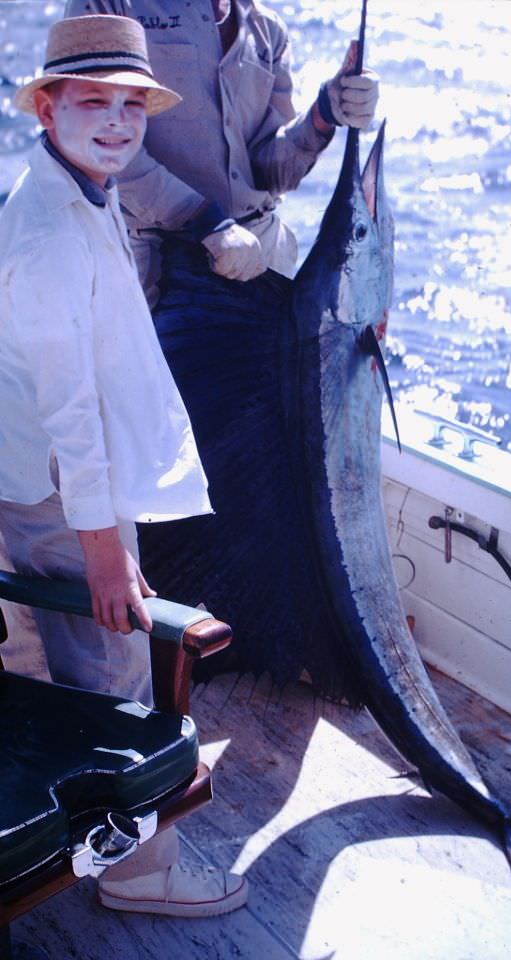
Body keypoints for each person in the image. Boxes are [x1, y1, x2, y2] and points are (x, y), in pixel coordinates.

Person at [0, 14, 247, 918]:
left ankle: (67, 844)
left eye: (129, 106)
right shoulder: (52, 234)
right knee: (115, 673)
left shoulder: (71, 189)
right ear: (47, 105)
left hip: (35, 483)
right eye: (91, 101)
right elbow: (71, 411)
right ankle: (141, 872)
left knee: (46, 658)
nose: (115, 122)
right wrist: (105, 548)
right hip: (67, 491)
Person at [64, 0, 380, 301]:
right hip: (157, 274)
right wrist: (204, 220)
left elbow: (264, 170)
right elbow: (96, 138)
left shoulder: (268, 29)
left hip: (261, 264)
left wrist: (324, 114)